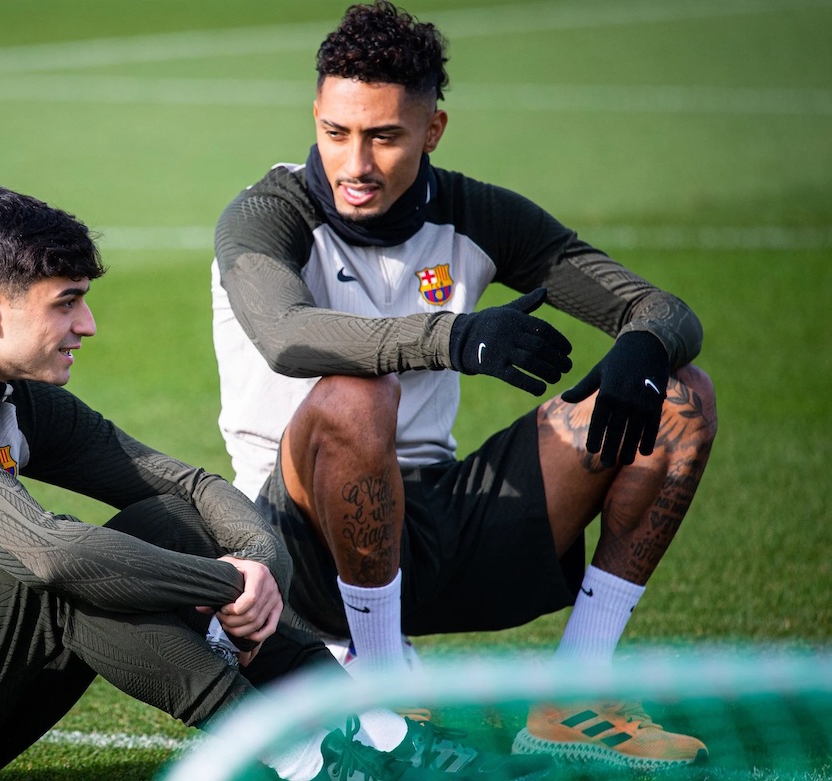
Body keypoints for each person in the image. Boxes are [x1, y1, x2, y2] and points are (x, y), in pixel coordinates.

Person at [0, 184, 546, 781]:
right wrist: (222, 582)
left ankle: (375, 736)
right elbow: (50, 557)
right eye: (67, 303)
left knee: (156, 521)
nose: (86, 324)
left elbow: (186, 486)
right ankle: (306, 765)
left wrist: (259, 557)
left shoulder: (7, 389)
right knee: (53, 568)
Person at [211, 1, 718, 770]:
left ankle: (576, 691)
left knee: (682, 401)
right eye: (337, 132)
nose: (355, 163)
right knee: (359, 394)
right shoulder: (265, 215)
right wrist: (455, 337)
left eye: (384, 136)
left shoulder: (474, 212)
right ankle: (378, 687)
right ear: (315, 114)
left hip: (433, 524)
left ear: (432, 130)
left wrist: (645, 344)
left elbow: (661, 307)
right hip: (294, 547)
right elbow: (287, 337)